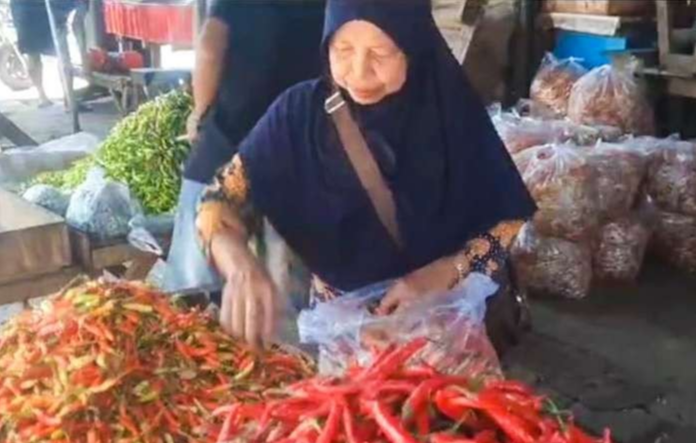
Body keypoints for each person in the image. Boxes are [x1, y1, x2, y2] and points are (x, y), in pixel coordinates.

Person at [196, 0, 537, 350]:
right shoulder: (298, 115)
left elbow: (508, 217)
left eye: (380, 53)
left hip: (442, 332)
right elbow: (217, 200)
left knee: (452, 405)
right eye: (343, 49)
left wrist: (445, 272)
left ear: (413, 46)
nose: (359, 72)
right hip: (346, 337)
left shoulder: (450, 110)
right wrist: (239, 264)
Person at [163, 0, 326, 295]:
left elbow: (210, 49)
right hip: (298, 156)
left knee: (191, 294)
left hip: (226, 147)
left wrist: (199, 113)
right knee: (281, 304)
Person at [9, 0, 88, 108]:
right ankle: (66, 99)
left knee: (36, 52)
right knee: (59, 50)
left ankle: (52, 97)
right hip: (36, 6)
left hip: (27, 7)